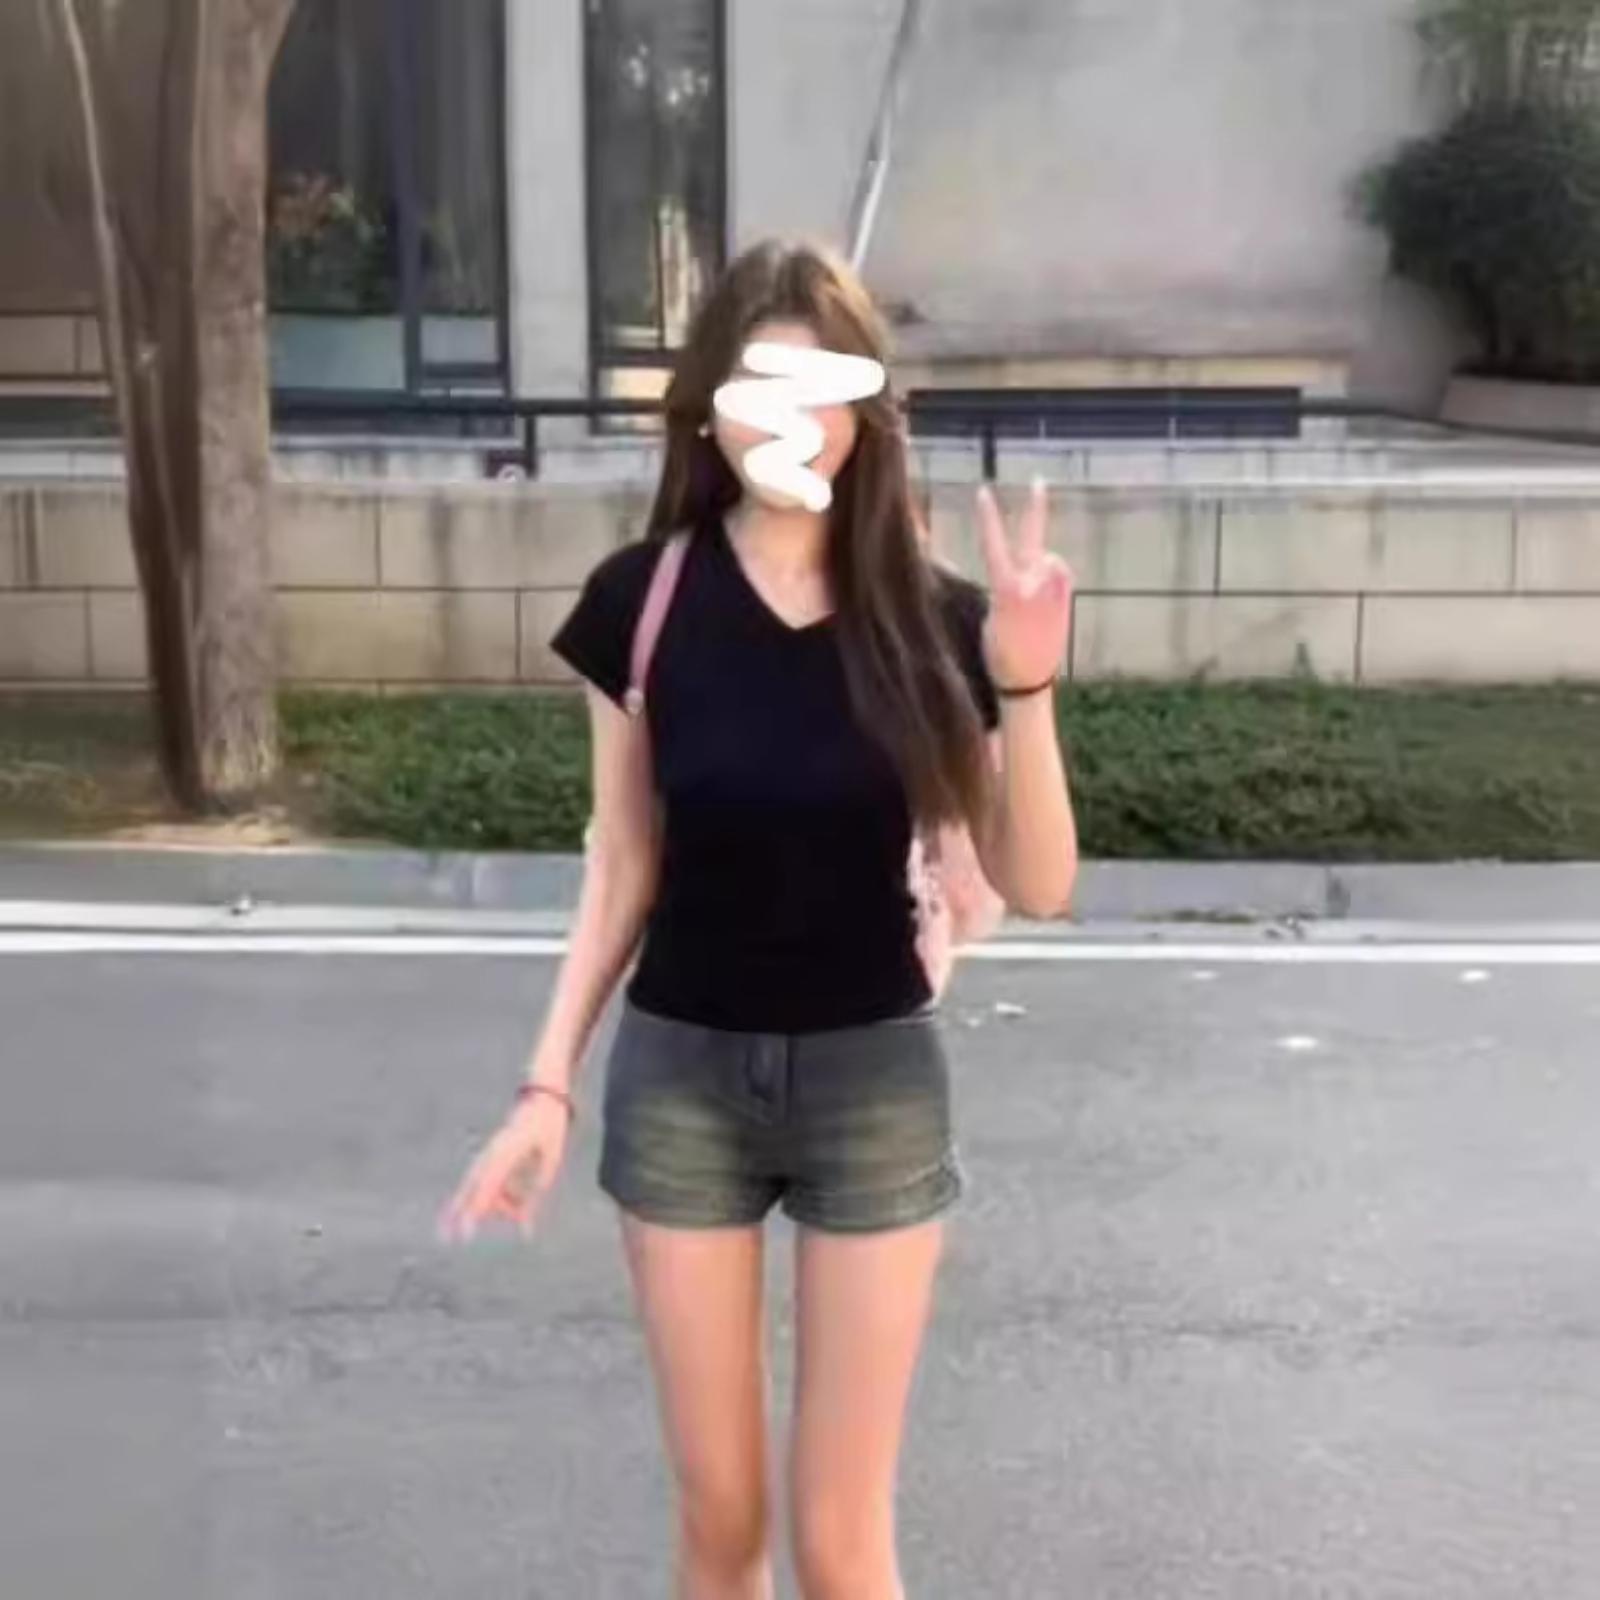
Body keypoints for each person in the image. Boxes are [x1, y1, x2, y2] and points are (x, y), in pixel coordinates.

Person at [440, 238, 1078, 1600]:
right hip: (683, 1080)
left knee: (842, 1547)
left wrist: (1025, 689)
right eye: (758, 386)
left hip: (874, 1082)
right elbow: (623, 864)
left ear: (862, 415)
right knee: (722, 1527)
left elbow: (1041, 882)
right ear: (711, 409)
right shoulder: (642, 603)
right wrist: (546, 1085)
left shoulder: (939, 620)